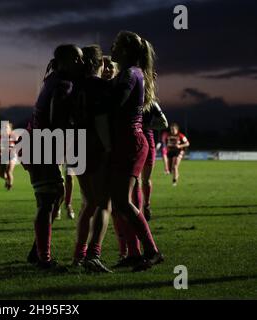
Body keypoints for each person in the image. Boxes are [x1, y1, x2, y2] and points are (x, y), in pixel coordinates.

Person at [25, 44, 84, 270]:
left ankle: (37, 252)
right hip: (42, 145)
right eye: (76, 59)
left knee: (54, 195)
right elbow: (56, 117)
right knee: (48, 201)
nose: (80, 63)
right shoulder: (63, 83)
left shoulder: (54, 79)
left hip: (38, 143)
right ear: (64, 61)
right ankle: (44, 259)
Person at [109, 31, 163, 271]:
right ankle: (134, 253)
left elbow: (114, 103)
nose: (113, 47)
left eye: (117, 44)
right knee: (119, 202)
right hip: (123, 142)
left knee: (122, 201)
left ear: (127, 50)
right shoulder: (126, 73)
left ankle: (152, 251)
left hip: (132, 142)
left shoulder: (132, 74)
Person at [71, 44, 114, 273]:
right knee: (103, 203)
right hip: (94, 146)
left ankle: (79, 254)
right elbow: (100, 119)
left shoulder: (73, 85)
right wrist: (108, 147)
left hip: (74, 146)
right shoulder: (99, 86)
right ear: (100, 63)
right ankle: (93, 255)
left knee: (88, 203)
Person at [141, 98, 168, 220]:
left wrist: (148, 125)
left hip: (147, 140)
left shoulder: (151, 104)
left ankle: (146, 205)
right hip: (131, 140)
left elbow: (164, 123)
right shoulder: (128, 100)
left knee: (145, 179)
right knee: (134, 179)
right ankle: (136, 209)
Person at [0, 121, 17, 190]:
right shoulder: (0, 137)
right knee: (1, 174)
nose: (5, 129)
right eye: (3, 128)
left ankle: (10, 185)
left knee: (9, 171)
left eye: (6, 128)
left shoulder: (13, 136)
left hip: (12, 156)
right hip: (3, 156)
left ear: (10, 129)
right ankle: (7, 180)